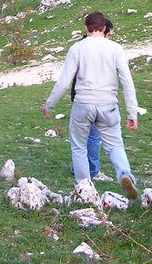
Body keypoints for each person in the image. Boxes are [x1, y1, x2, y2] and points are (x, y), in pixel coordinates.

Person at [45, 10, 142, 186]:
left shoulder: (77, 48)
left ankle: (84, 187)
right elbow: (127, 81)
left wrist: (49, 104)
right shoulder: (115, 48)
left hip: (83, 104)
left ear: (86, 28)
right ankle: (125, 174)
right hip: (108, 105)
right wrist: (132, 112)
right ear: (104, 28)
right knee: (115, 145)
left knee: (79, 146)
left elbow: (64, 81)